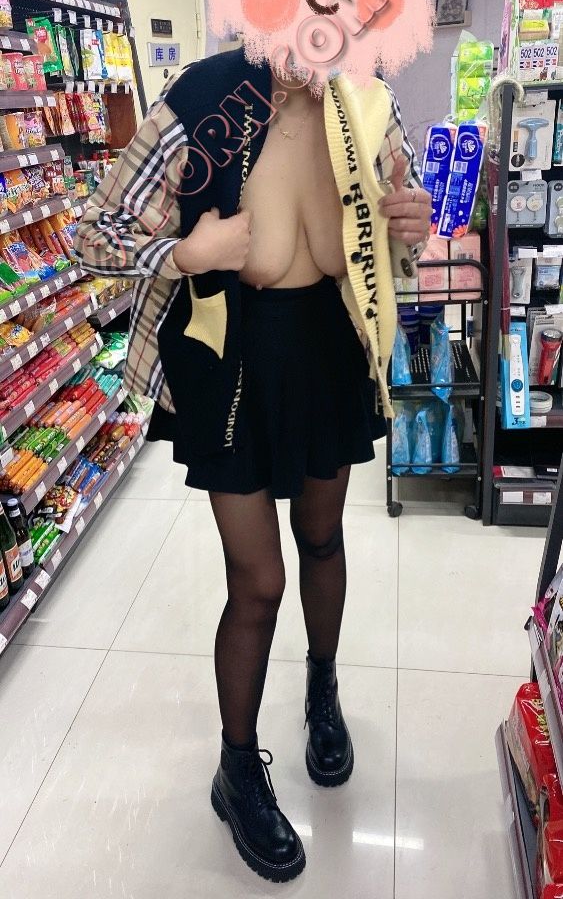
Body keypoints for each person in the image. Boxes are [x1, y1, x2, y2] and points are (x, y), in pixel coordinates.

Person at [75, 45, 431, 883]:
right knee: (258, 582)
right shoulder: (203, 97)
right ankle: (236, 769)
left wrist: (408, 224)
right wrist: (184, 254)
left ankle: (321, 692)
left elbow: (396, 230)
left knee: (321, 537)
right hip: (228, 359)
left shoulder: (366, 102)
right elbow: (94, 233)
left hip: (330, 354)